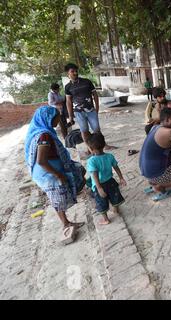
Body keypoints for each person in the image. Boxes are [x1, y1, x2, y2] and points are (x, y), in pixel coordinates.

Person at [24, 106, 86, 244]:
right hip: (48, 173)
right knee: (57, 197)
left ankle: (67, 222)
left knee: (75, 174)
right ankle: (65, 223)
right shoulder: (44, 136)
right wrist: (58, 175)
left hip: (49, 170)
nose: (59, 119)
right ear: (48, 118)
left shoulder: (44, 132)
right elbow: (41, 161)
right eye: (57, 117)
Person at [64, 63, 115, 150]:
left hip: (91, 110)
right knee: (84, 131)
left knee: (97, 129)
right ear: (68, 73)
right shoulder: (68, 87)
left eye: (76, 71)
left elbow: (95, 94)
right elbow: (68, 102)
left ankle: (104, 146)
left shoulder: (87, 82)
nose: (75, 73)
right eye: (72, 71)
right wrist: (71, 117)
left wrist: (97, 107)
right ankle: (90, 149)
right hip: (78, 112)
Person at [86, 133, 126, 225]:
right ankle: (116, 210)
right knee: (114, 196)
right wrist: (121, 178)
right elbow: (116, 167)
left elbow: (94, 174)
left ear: (91, 149)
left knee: (101, 201)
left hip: (99, 184)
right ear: (104, 145)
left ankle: (105, 219)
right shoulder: (109, 156)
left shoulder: (92, 160)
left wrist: (99, 188)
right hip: (110, 181)